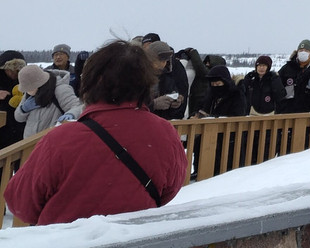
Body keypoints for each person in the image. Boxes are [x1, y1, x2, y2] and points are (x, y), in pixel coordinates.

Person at [3, 40, 187, 226]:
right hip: (137, 237)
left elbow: (21, 203)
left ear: (91, 82)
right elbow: (170, 189)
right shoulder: (165, 133)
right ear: (147, 82)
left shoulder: (60, 140)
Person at [13, 64, 84, 138]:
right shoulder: (29, 93)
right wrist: (23, 109)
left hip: (52, 141)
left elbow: (77, 107)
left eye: (29, 88)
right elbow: (18, 118)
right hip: (29, 144)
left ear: (39, 84)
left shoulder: (60, 89)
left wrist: (71, 114)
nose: (27, 91)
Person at [276, 39, 310, 114]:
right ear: (297, 52)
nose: (303, 52)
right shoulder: (287, 67)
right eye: (301, 50)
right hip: (285, 111)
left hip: (307, 110)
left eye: (306, 50)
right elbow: (276, 83)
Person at [146, 41, 186, 120]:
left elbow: (174, 96)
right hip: (141, 123)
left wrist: (176, 103)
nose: (162, 64)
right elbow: (130, 106)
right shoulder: (137, 78)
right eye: (159, 60)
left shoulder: (167, 77)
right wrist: (153, 104)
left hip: (160, 122)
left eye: (165, 61)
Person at [0, 51, 27, 147]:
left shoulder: (24, 80)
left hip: (19, 125)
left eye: (18, 70)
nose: (14, 73)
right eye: (11, 69)